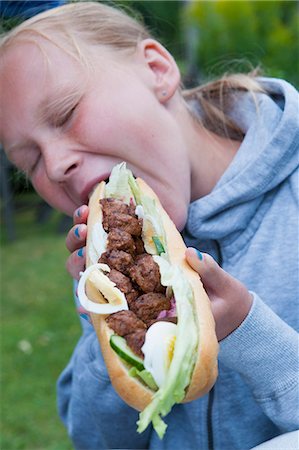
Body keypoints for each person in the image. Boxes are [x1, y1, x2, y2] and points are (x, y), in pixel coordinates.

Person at [0, 2, 298, 449]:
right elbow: (95, 441)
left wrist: (249, 333)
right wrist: (109, 320)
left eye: (65, 113)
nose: (57, 165)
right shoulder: (111, 267)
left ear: (157, 69)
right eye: (31, 161)